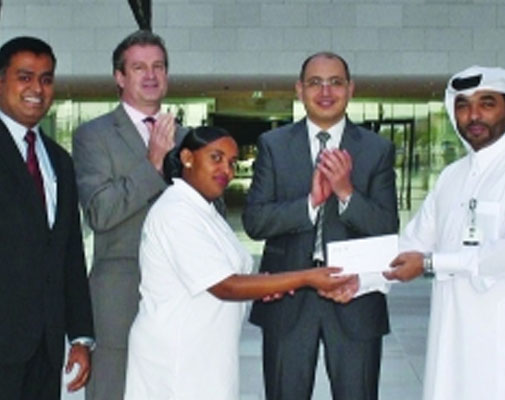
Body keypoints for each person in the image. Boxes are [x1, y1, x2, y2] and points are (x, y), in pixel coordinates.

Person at [384, 66, 505, 400]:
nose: (473, 115)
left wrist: (431, 263)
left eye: (487, 104)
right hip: (454, 338)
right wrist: (353, 276)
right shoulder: (451, 176)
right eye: (463, 105)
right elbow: (411, 243)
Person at [124, 126, 351, 399]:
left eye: (232, 162)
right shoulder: (175, 212)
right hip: (177, 356)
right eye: (216, 158)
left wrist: (264, 285)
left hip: (206, 352)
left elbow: (229, 276)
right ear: (187, 158)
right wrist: (307, 277)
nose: (227, 170)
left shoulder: (205, 209)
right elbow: (225, 286)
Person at [242, 52, 398, 400]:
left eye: (335, 82)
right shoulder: (274, 145)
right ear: (300, 89)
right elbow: (255, 221)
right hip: (288, 298)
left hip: (354, 297)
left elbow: (387, 226)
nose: (325, 92)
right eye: (315, 83)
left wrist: (346, 193)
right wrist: (310, 204)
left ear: (350, 89)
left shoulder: (377, 149)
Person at [72, 30, 184, 400]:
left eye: (158, 66)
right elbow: (100, 212)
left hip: (180, 297)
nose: (151, 75)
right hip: (119, 300)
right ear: (120, 77)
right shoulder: (93, 136)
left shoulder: (189, 139)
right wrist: (153, 164)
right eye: (139, 68)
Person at [0, 36, 94, 399]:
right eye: (24, 77)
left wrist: (81, 337)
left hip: (46, 349)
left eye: (46, 79)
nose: (37, 89)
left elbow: (69, 254)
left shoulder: (59, 161)